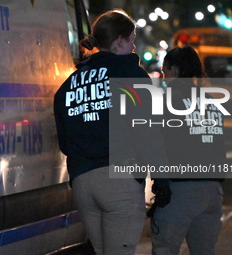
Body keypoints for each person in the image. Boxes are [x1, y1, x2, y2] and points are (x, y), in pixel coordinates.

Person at [54, 9, 169, 255]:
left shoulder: (69, 84)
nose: (134, 45)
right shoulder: (130, 74)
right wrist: (161, 178)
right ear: (119, 41)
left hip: (83, 183)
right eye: (132, 39)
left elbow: (65, 143)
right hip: (120, 184)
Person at [150, 46, 226, 255]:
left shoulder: (164, 100)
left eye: (165, 71)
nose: (164, 77)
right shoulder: (212, 101)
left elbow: (155, 143)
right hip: (212, 191)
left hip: (179, 192)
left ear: (174, 69)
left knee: (165, 249)